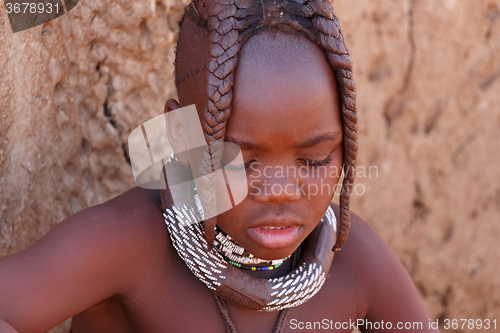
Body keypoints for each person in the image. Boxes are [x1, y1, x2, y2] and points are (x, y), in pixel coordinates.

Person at [0, 1, 440, 332]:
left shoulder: (354, 262)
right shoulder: (130, 245)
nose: (282, 189)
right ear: (182, 137)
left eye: (313, 159)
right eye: (245, 162)